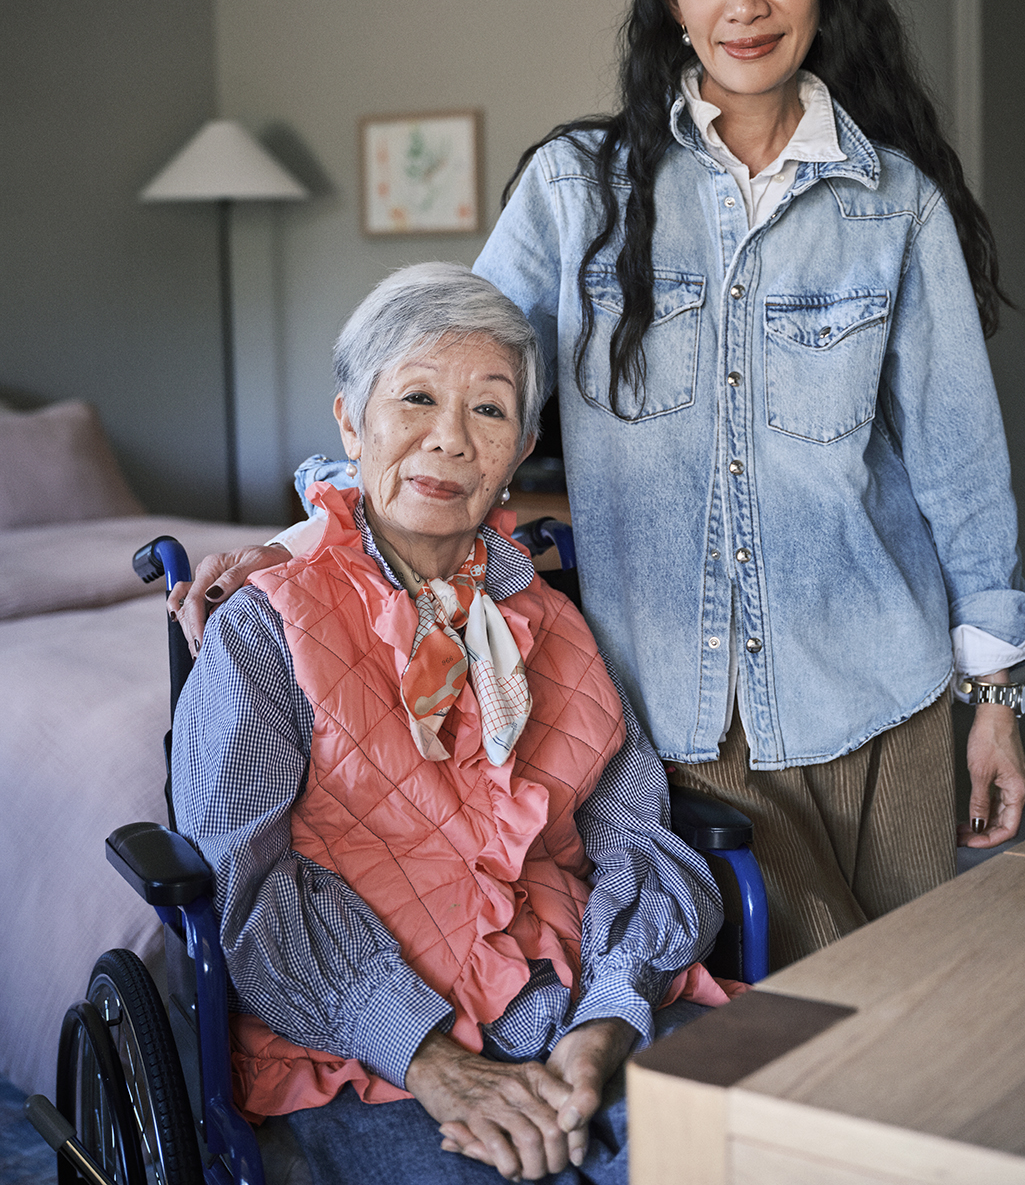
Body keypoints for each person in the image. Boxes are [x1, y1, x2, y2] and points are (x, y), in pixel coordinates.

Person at [174, 0, 1025, 970]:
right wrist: (315, 538)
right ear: (671, 0)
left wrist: (995, 698)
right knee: (793, 1018)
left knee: (903, 1019)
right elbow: (450, 385)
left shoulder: (898, 207)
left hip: (881, 699)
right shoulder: (574, 190)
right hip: (669, 716)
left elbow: (957, 463)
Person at [170, 262, 733, 1185]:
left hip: (573, 995)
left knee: (746, 1145)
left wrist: (609, 1017)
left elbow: (632, 829)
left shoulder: (551, 621)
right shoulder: (264, 629)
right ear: (352, 422)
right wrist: (430, 1057)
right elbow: (249, 889)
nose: (449, 440)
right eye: (417, 398)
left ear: (523, 446)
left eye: (490, 410)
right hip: (360, 1044)